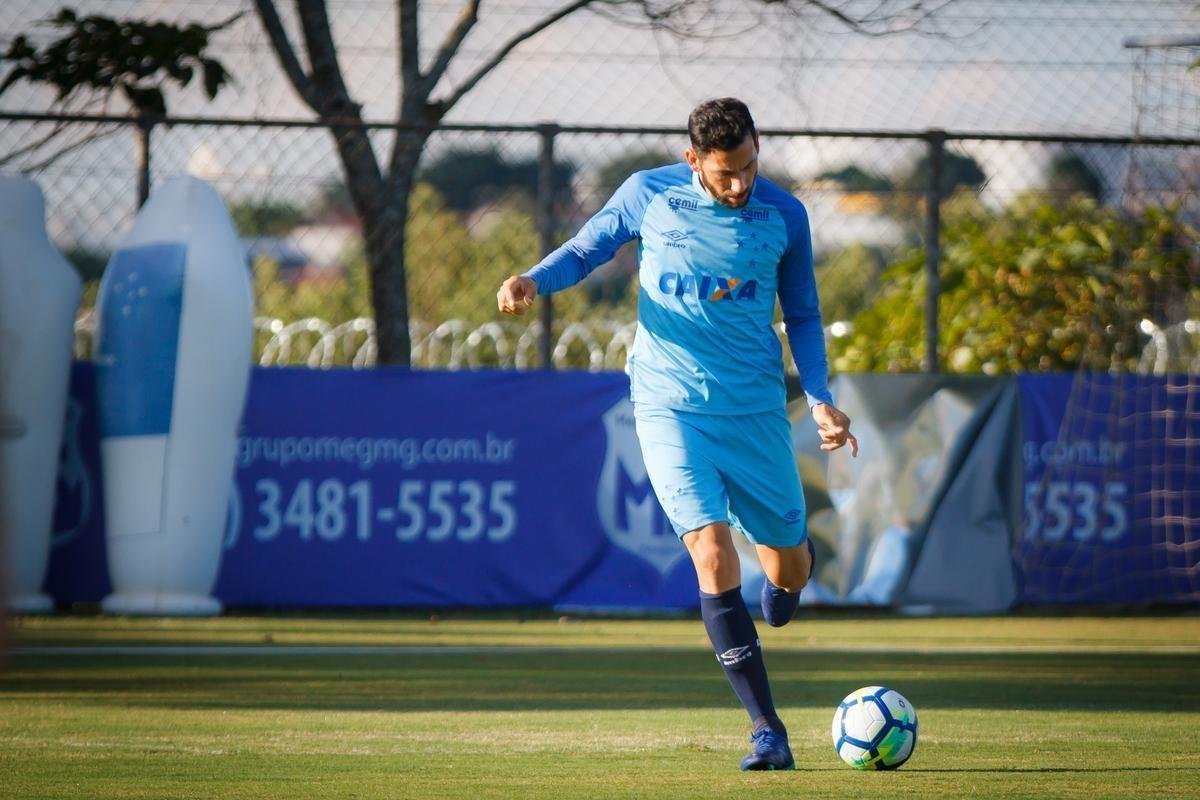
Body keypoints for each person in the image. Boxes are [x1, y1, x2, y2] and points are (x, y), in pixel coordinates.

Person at [496, 97, 857, 771]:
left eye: (749, 166)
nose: (740, 184)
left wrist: (820, 400)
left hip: (752, 414)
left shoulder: (785, 213)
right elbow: (586, 250)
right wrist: (532, 280)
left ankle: (789, 568)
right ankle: (767, 731)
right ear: (693, 160)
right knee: (712, 553)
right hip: (668, 405)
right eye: (725, 174)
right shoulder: (648, 194)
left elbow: (803, 315)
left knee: (788, 572)